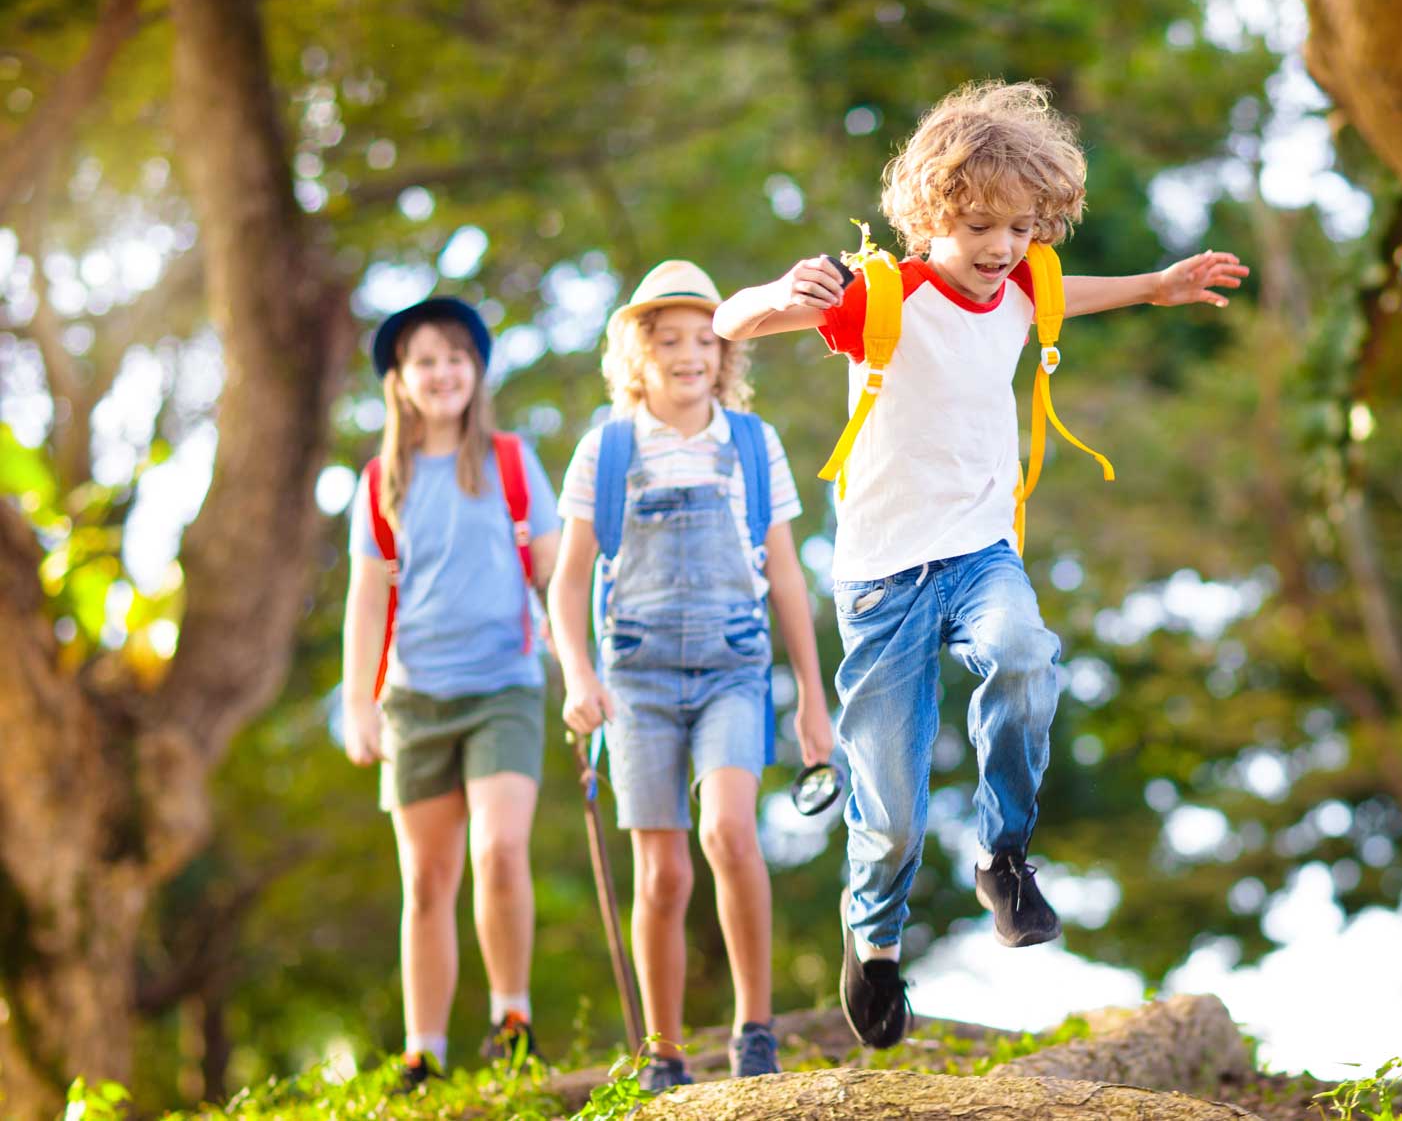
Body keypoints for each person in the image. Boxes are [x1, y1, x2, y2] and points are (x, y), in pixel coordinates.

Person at [712, 80, 1247, 1050]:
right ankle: (873, 943)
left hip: (979, 553)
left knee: (1022, 653)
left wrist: (1155, 286)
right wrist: (779, 295)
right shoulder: (882, 297)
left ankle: (1004, 854)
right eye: (976, 229)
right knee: (895, 815)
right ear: (928, 220)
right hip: (881, 584)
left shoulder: (1021, 284)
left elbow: (1062, 294)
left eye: (1019, 226)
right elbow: (730, 324)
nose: (999, 248)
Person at [548, 260, 834, 1090]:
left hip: (733, 669)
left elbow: (785, 573)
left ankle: (755, 1028)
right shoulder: (605, 449)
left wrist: (813, 695)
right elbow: (567, 583)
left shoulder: (751, 443)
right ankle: (664, 1049)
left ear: (726, 351)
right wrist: (577, 676)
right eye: (668, 339)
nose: (688, 354)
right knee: (664, 872)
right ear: (638, 353)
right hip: (634, 680)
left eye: (703, 339)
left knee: (729, 833)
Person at [340, 297, 560, 1089]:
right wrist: (357, 701)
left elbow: (553, 573)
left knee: (500, 850)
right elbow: (367, 603)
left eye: (456, 356)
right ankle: (423, 1048)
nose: (443, 372)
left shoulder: (509, 460)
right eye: (425, 360)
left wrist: (581, 669)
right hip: (414, 697)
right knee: (427, 881)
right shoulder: (379, 482)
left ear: (477, 370)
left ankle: (513, 1017)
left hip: (504, 683)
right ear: (399, 380)